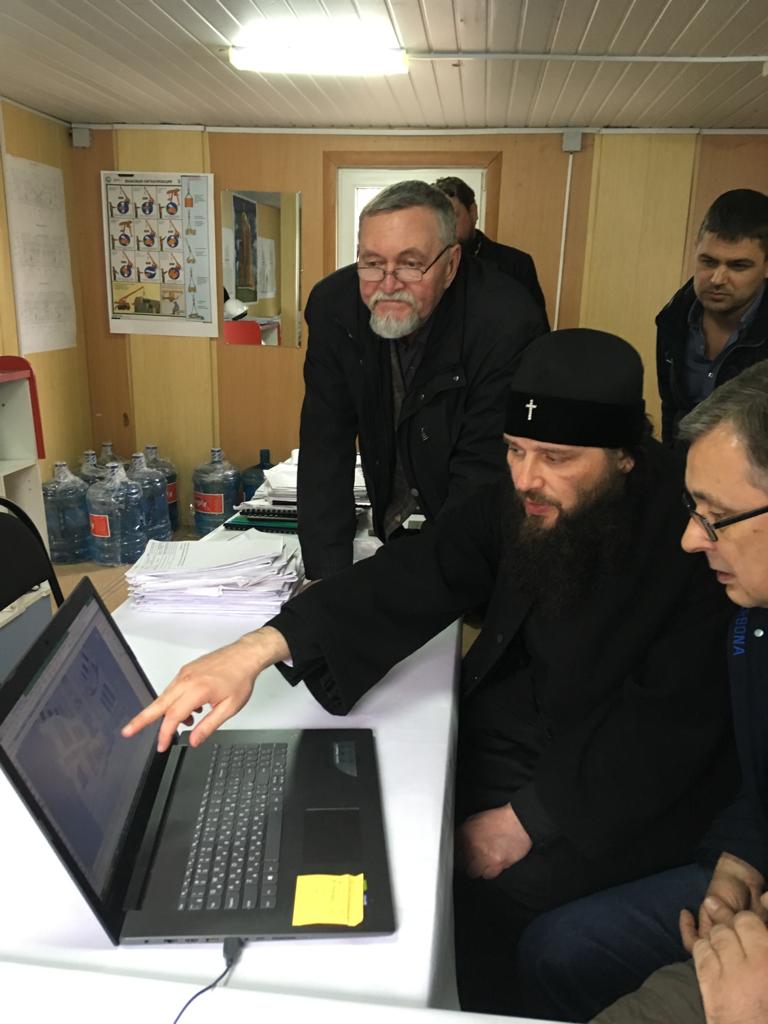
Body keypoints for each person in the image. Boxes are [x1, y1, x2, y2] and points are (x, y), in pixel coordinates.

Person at [122, 329, 736, 1016]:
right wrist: (264, 645)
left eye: (556, 458)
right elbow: (423, 567)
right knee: (377, 803)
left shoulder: (697, 537)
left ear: (624, 455)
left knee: (473, 893)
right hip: (526, 727)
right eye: (515, 450)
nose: (526, 479)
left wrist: (524, 821)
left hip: (617, 787)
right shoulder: (526, 493)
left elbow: (668, 726)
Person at [513, 360, 768, 1023]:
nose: (691, 538)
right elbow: (760, 781)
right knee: (556, 951)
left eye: (716, 517)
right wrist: (740, 860)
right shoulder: (753, 620)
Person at [297, 179, 545, 580]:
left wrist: (431, 585)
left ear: (451, 264)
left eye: (411, 264)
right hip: (390, 515)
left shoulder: (505, 320)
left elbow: (484, 473)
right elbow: (325, 445)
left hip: (473, 529)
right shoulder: (334, 306)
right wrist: (326, 579)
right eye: (372, 262)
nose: (388, 284)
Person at [656, 188, 768, 446]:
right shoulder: (672, 319)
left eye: (738, 266)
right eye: (708, 261)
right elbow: (671, 410)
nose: (717, 279)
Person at [433, 175, 548, 323]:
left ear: (473, 212)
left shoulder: (516, 264)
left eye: (452, 216)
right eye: (440, 219)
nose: (446, 226)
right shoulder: (428, 265)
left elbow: (536, 325)